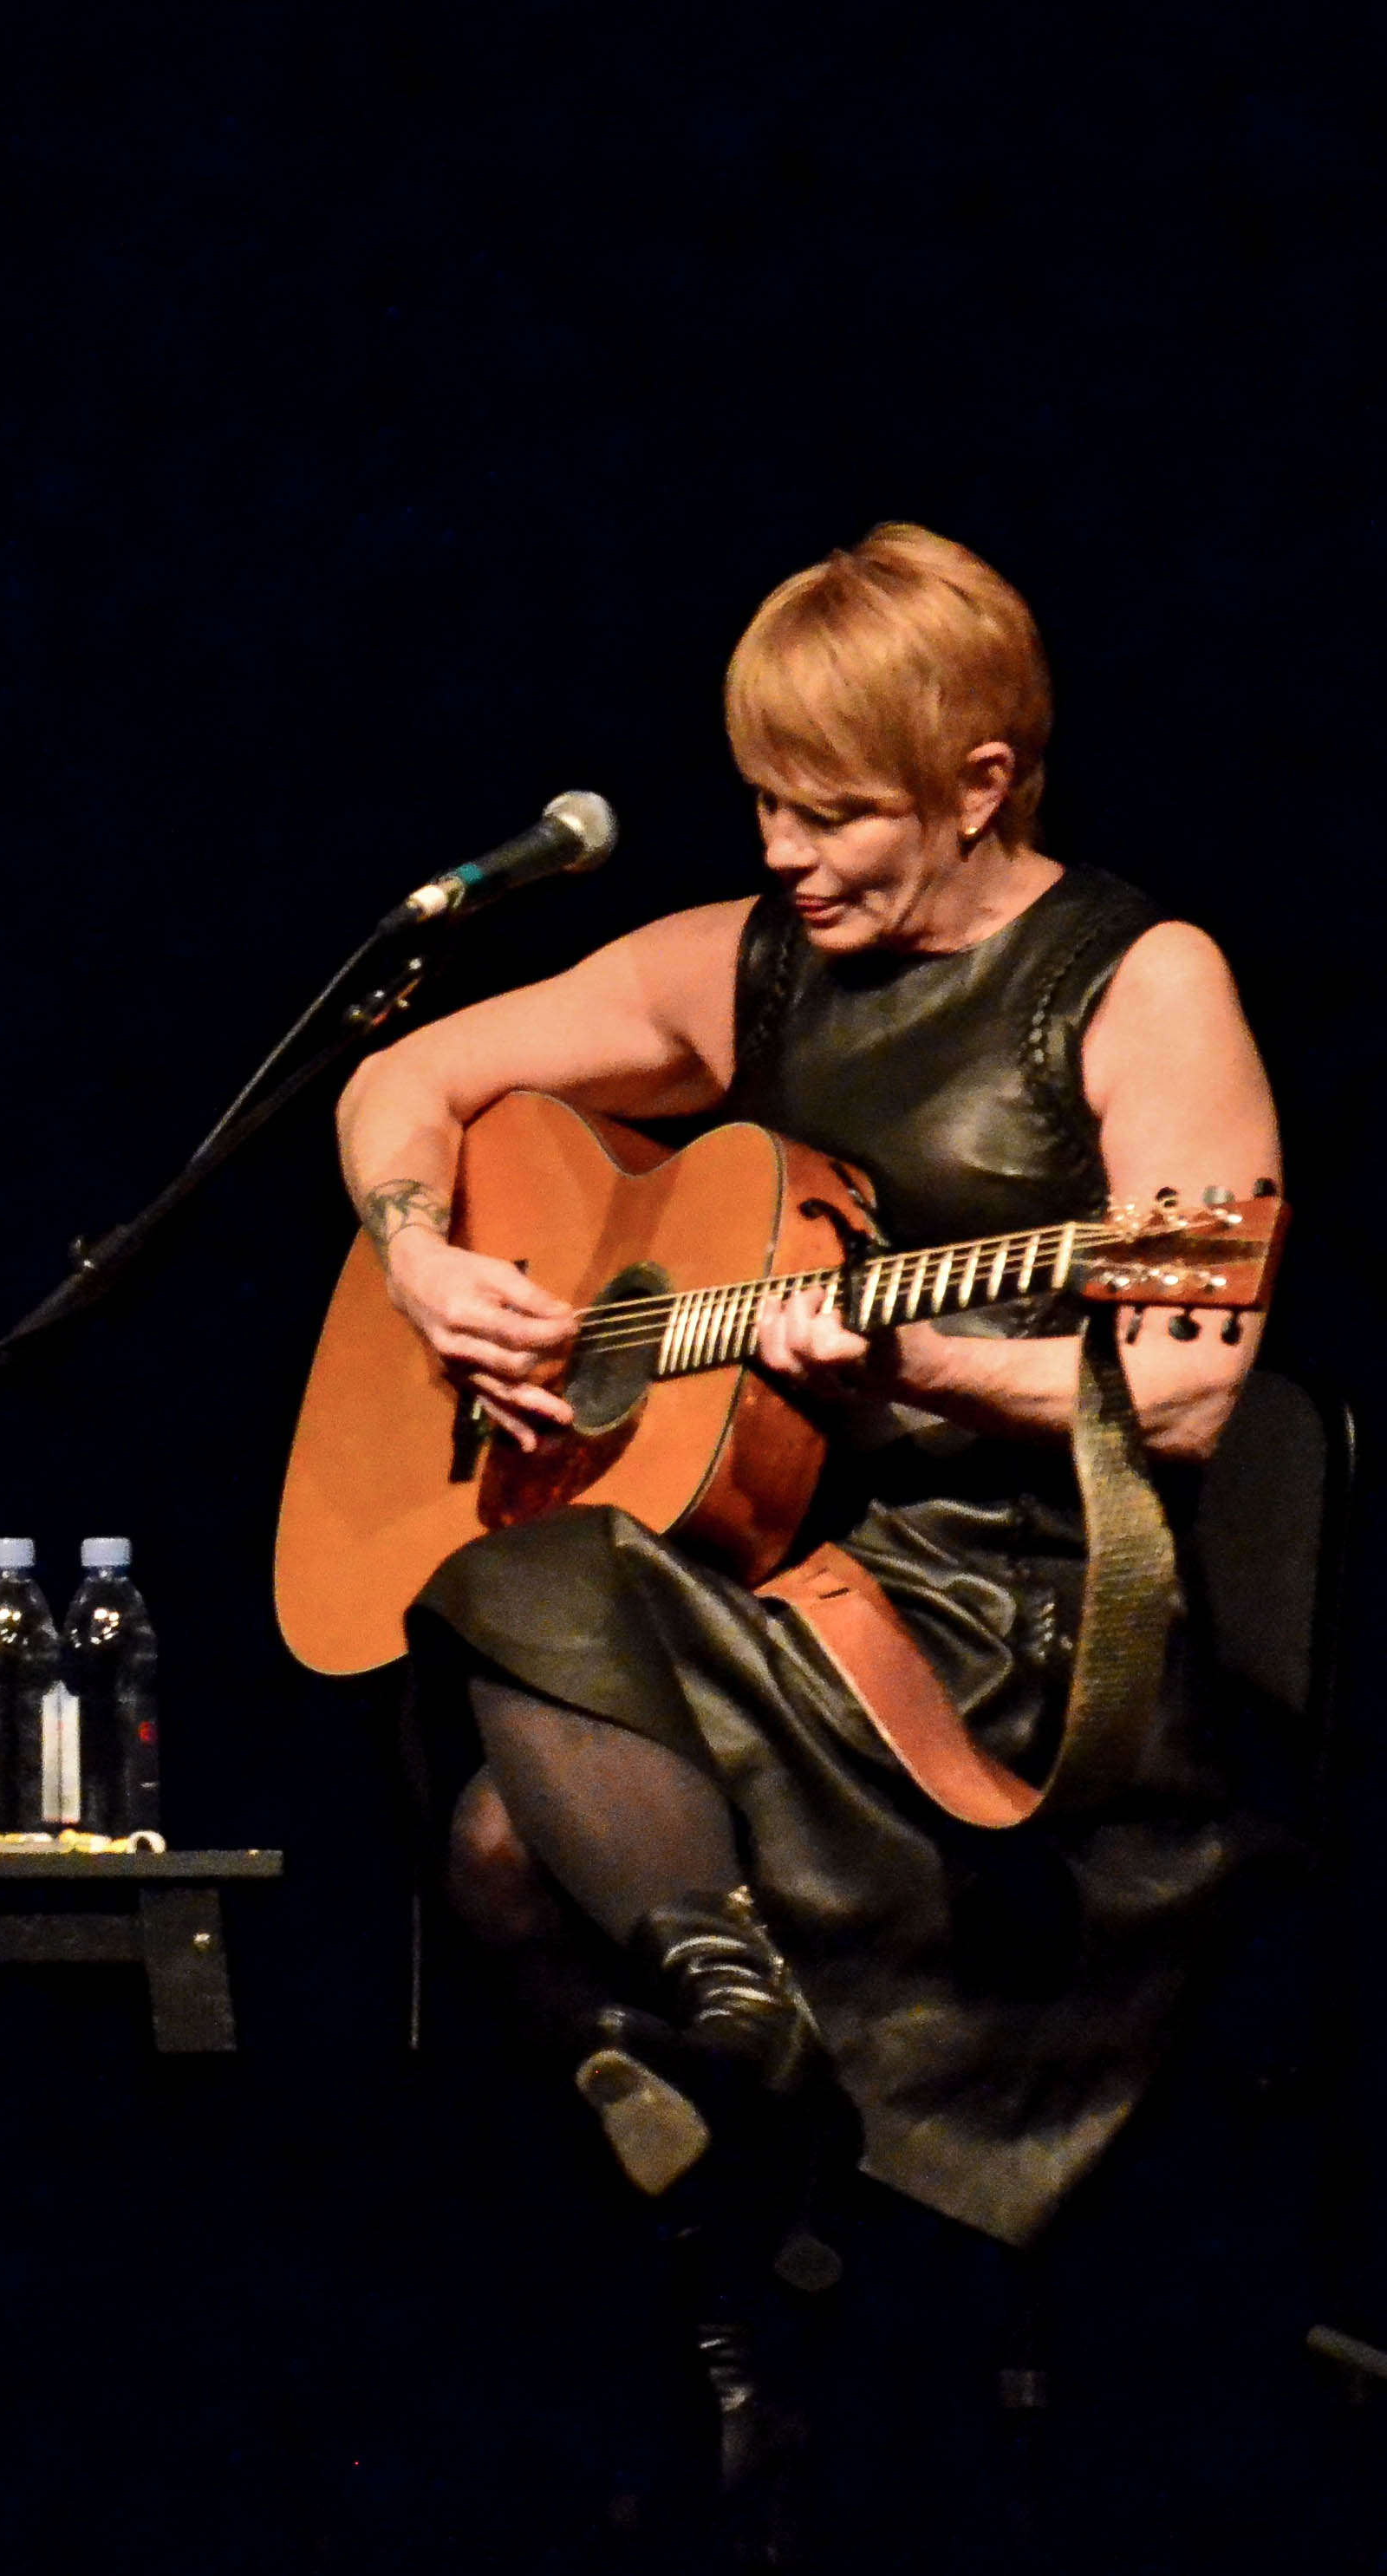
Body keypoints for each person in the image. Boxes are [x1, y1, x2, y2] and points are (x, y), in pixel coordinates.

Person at [332, 524, 1281, 2249]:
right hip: (767, 1577)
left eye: (827, 812)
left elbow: (1188, 1389)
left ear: (976, 780)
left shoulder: (1139, 985)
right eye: (760, 804)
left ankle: (748, 2223)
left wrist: (918, 1361)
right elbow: (404, 1077)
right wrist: (416, 1254)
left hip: (1014, 1628)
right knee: (491, 1682)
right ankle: (749, 2132)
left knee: (497, 1829)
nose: (781, 856)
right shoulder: (751, 961)